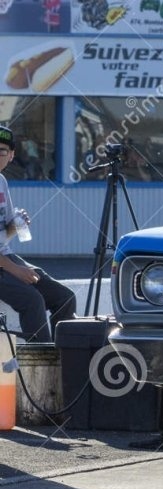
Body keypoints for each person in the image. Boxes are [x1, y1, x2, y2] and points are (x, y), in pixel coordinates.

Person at [0, 125, 76, 343]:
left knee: (64, 298)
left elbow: (5, 234)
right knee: (32, 301)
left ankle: (66, 358)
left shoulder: (2, 182)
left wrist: (17, 223)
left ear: (12, 155)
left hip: (6, 259)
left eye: (2, 150)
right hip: (5, 265)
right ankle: (40, 367)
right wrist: (16, 270)